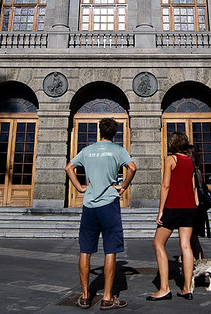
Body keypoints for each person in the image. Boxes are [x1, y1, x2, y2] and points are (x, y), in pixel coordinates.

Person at [65, 117, 137, 310]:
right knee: (110, 250)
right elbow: (132, 167)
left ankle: (85, 296)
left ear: (100, 131)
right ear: (115, 133)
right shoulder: (118, 150)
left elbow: (69, 167)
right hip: (109, 204)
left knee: (85, 250)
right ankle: (106, 298)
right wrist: (124, 186)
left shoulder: (87, 150)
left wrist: (79, 187)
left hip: (89, 205)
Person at [148, 132, 197, 301]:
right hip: (190, 208)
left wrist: (161, 210)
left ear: (174, 144)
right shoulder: (190, 161)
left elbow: (165, 185)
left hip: (173, 207)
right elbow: (193, 186)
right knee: (186, 246)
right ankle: (187, 288)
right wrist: (194, 204)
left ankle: (164, 288)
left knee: (158, 243)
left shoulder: (171, 159)